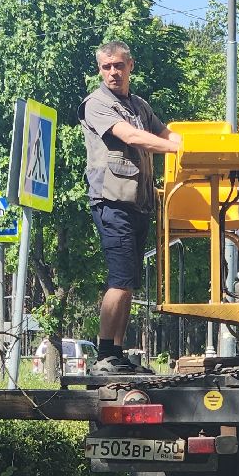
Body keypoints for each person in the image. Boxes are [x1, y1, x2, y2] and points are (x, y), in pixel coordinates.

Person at [79, 41, 182, 376]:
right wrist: (174, 150)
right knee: (120, 280)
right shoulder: (96, 104)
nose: (113, 72)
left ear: (130, 66)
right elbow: (132, 137)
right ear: (100, 69)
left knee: (129, 283)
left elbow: (167, 132)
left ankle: (117, 353)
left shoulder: (138, 105)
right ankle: (104, 356)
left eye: (118, 66)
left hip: (137, 204)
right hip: (112, 202)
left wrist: (199, 145)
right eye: (107, 67)